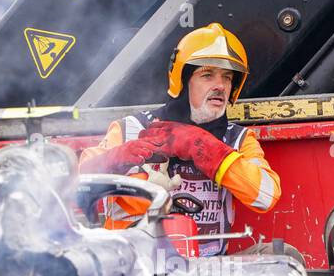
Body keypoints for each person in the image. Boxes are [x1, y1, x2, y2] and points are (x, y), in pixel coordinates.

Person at [79, 24, 281, 256]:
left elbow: (266, 196)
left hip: (213, 273)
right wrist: (116, 159)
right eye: (207, 75)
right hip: (136, 271)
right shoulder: (131, 129)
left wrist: (204, 146)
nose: (220, 86)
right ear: (183, 81)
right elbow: (79, 180)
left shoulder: (238, 139)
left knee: (283, 256)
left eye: (227, 78)